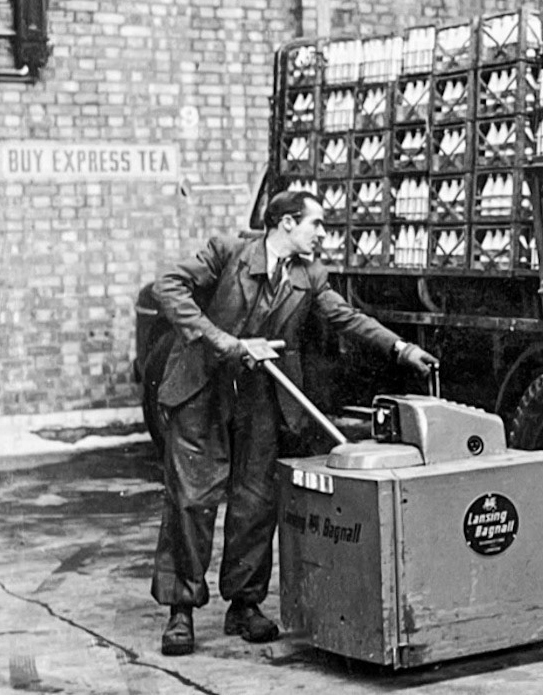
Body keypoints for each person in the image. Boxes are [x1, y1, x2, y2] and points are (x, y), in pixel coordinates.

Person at [150, 189, 437, 656]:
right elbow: (167, 285)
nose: (322, 233)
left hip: (261, 395)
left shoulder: (310, 275)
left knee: (256, 501)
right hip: (202, 389)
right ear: (285, 223)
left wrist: (401, 349)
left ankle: (244, 604)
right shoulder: (228, 253)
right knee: (191, 500)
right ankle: (180, 610)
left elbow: (347, 318)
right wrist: (225, 342)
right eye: (316, 223)